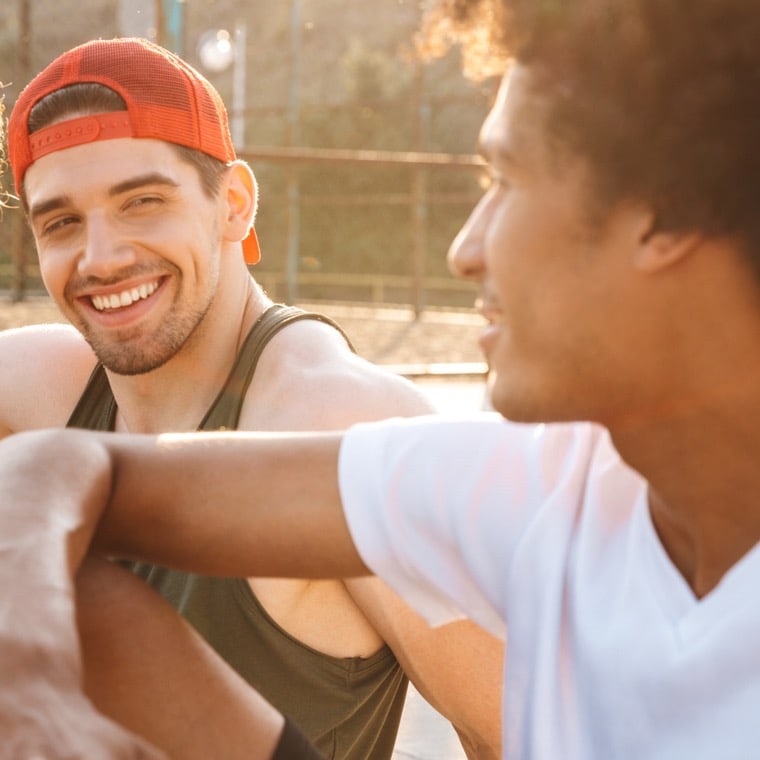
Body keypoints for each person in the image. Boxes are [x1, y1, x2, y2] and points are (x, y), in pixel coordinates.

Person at [5, 0, 760, 757]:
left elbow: (498, 732)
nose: (464, 245)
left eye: (506, 178)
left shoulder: (348, 414)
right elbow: (63, 467)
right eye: (60, 221)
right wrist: (32, 670)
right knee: (98, 602)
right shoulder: (523, 483)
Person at [0, 35, 503, 760]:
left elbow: (527, 733)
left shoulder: (343, 425)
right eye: (62, 222)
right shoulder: (38, 387)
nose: (101, 256)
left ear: (233, 204)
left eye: (142, 202)